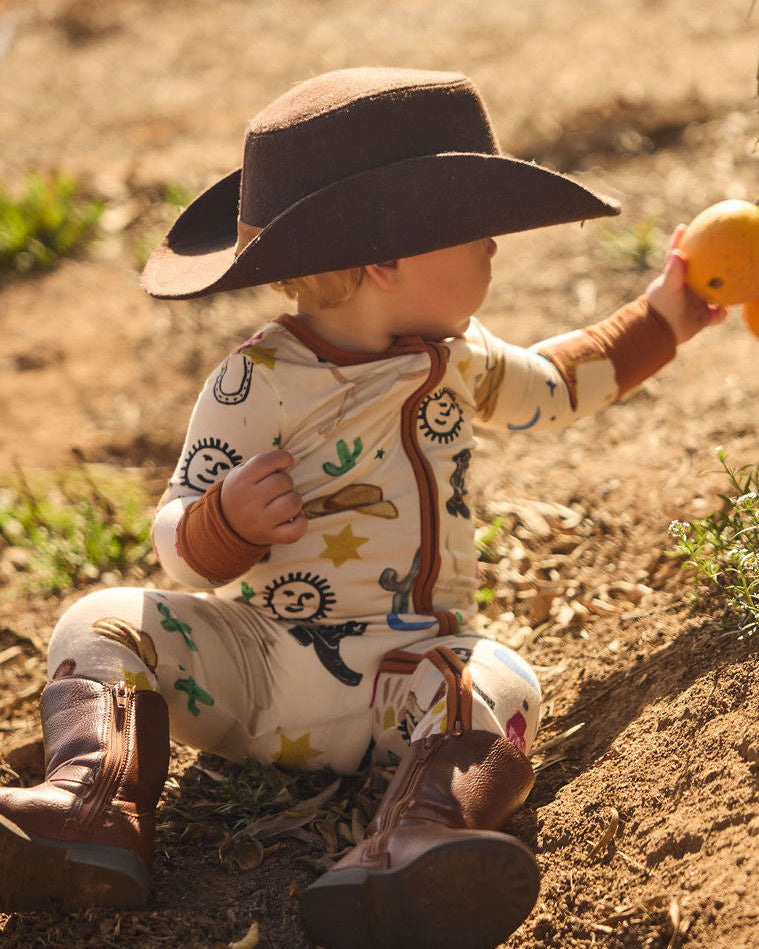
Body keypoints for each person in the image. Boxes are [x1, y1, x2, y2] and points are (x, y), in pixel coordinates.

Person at [0, 67, 725, 949]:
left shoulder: (459, 357)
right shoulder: (254, 382)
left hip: (409, 681)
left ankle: (420, 836)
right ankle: (94, 805)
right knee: (103, 617)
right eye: (474, 229)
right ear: (386, 259)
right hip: (262, 669)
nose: (494, 246)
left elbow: (557, 382)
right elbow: (177, 541)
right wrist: (224, 517)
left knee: (496, 677)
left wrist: (666, 316)